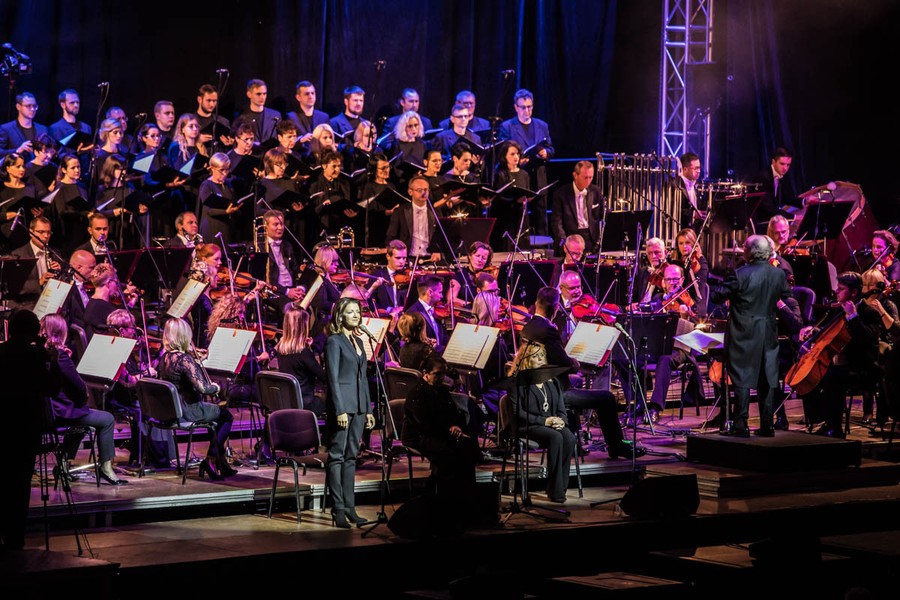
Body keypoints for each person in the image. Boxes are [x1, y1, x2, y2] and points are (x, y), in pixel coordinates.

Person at [520, 286, 642, 459]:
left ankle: (574, 441)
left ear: (536, 303)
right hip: (555, 394)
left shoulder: (528, 327)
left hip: (536, 390)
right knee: (606, 398)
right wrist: (575, 363)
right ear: (555, 308)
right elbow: (564, 363)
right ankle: (616, 446)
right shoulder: (548, 330)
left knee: (576, 381)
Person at [711, 235, 793, 437]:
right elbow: (785, 296)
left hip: (743, 331)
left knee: (742, 376)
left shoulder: (740, 274)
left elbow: (717, 296)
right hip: (768, 331)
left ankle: (741, 425)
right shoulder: (778, 274)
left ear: (748, 252)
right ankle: (767, 425)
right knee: (767, 376)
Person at [0, 310, 62, 550]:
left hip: (3, 426)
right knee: (19, 485)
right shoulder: (36, 355)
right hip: (26, 427)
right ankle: (15, 538)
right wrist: (53, 362)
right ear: (34, 331)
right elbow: (53, 389)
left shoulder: (2, 351)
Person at [40, 314, 127, 485]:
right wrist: (84, 397)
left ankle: (63, 466)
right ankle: (106, 468)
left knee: (80, 425)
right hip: (63, 412)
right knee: (107, 419)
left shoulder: (40, 354)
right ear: (60, 332)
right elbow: (79, 386)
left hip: (48, 412)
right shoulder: (60, 356)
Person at [796, 272, 883, 438]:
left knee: (832, 377)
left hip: (863, 367)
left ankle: (835, 428)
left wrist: (853, 316)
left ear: (854, 292)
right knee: (810, 375)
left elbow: (866, 339)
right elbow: (832, 333)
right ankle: (823, 420)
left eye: (841, 289)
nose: (836, 291)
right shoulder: (839, 310)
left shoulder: (868, 312)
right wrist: (814, 331)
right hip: (841, 365)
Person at [402, 354, 481, 526]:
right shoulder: (417, 393)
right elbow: (424, 422)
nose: (441, 378)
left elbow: (454, 413)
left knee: (468, 448)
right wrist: (448, 429)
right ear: (426, 373)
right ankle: (440, 501)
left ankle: (465, 504)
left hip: (440, 432)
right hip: (420, 435)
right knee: (450, 453)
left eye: (443, 374)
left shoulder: (442, 391)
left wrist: (457, 426)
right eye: (437, 374)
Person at [158, 317, 236, 479]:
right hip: (188, 410)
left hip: (171, 409)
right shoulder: (184, 359)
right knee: (226, 417)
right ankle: (211, 458)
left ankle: (220, 461)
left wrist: (196, 362)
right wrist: (217, 386)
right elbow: (203, 388)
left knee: (214, 420)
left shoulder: (164, 357)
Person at [324, 297, 375, 528]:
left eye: (358, 311)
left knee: (352, 456)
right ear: (340, 316)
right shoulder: (334, 342)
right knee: (337, 456)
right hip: (343, 407)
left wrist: (369, 408)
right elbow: (332, 379)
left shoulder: (359, 341)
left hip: (359, 407)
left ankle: (351, 507)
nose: (355, 315)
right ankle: (338, 509)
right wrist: (340, 409)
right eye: (350, 312)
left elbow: (363, 378)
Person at [505, 341, 576, 503]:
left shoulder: (552, 381)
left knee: (569, 438)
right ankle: (556, 490)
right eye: (536, 357)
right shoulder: (518, 383)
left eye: (542, 356)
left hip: (550, 423)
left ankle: (559, 486)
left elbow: (560, 408)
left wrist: (562, 421)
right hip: (527, 426)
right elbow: (518, 413)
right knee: (556, 437)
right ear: (526, 360)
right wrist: (545, 421)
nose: (540, 360)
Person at [498, 89, 554, 235]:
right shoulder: (507, 126)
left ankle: (541, 251)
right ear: (516, 107)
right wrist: (517, 160)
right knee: (518, 217)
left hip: (538, 177)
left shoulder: (542, 125)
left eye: (530, 106)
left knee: (541, 216)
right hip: (518, 178)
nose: (527, 110)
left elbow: (551, 148)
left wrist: (545, 153)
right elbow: (502, 150)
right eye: (523, 107)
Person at [274, 307, 327, 415]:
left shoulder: (280, 348)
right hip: (305, 404)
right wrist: (314, 353)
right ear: (303, 327)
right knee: (334, 403)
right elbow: (323, 377)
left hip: (288, 402)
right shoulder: (303, 352)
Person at [7, 216, 61, 311]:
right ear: (31, 232)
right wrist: (39, 282)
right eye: (41, 232)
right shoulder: (18, 255)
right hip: (26, 306)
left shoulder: (55, 253)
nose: (46, 236)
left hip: (49, 303)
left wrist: (59, 273)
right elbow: (12, 288)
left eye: (48, 232)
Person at [551, 160, 604, 250]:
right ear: (575, 175)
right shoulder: (561, 194)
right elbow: (557, 222)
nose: (588, 181)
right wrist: (564, 241)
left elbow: (602, 216)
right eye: (585, 177)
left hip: (591, 239)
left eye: (591, 177)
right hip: (570, 239)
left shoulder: (596, 191)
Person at [386, 174, 438, 259]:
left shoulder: (434, 212)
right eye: (419, 190)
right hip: (407, 258)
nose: (423, 193)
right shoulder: (400, 212)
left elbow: (441, 238)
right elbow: (391, 238)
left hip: (430, 259)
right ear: (410, 192)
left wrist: (438, 251)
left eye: (426, 190)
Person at [198, 152, 239, 242]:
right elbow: (208, 210)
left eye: (227, 169)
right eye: (221, 170)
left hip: (226, 226)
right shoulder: (206, 185)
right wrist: (226, 211)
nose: (225, 173)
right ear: (212, 168)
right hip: (212, 227)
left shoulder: (228, 184)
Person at [1, 152, 37, 251]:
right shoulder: (1, 189)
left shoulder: (30, 188)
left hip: (25, 235)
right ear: (8, 168)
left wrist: (38, 213)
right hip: (5, 236)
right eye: (18, 166)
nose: (22, 169)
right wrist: (10, 214)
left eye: (23, 166)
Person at [0, 92, 49, 161]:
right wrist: (17, 150)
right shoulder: (6, 129)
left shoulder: (43, 129)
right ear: (18, 107)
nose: (32, 109)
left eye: (34, 106)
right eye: (28, 106)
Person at [755, 147, 799, 223]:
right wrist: (794, 217)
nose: (785, 168)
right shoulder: (764, 177)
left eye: (788, 165)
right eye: (782, 164)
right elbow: (768, 208)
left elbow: (784, 197)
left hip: (771, 219)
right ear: (773, 162)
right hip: (761, 221)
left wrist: (804, 201)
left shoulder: (778, 174)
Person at [671, 228, 709, 315]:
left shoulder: (701, 261)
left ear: (693, 244)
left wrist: (692, 264)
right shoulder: (676, 262)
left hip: (696, 305)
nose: (684, 246)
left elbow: (699, 283)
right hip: (679, 303)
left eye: (687, 243)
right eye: (681, 243)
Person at [405, 275, 447, 352]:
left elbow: (442, 335)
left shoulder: (437, 311)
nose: (442, 296)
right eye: (440, 292)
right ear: (430, 292)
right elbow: (415, 345)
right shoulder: (412, 313)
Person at [286, 80, 330, 146]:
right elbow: (287, 142)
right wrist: (300, 140)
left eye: (313, 93)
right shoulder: (291, 117)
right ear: (298, 97)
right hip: (300, 154)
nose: (311, 96)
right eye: (307, 94)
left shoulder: (324, 117)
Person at [237, 79, 280, 145]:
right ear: (249, 94)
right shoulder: (241, 117)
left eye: (264, 94)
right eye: (258, 94)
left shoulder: (275, 115)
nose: (262, 97)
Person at [675, 152, 706, 231]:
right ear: (685, 169)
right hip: (678, 232)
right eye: (696, 168)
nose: (699, 171)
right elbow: (672, 210)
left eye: (699, 168)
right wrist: (692, 214)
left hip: (693, 233)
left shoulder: (695, 186)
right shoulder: (675, 185)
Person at [195, 84, 232, 151]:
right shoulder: (190, 121)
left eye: (214, 101)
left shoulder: (223, 121)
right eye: (208, 100)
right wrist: (196, 140)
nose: (212, 104)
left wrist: (229, 142)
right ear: (199, 99)